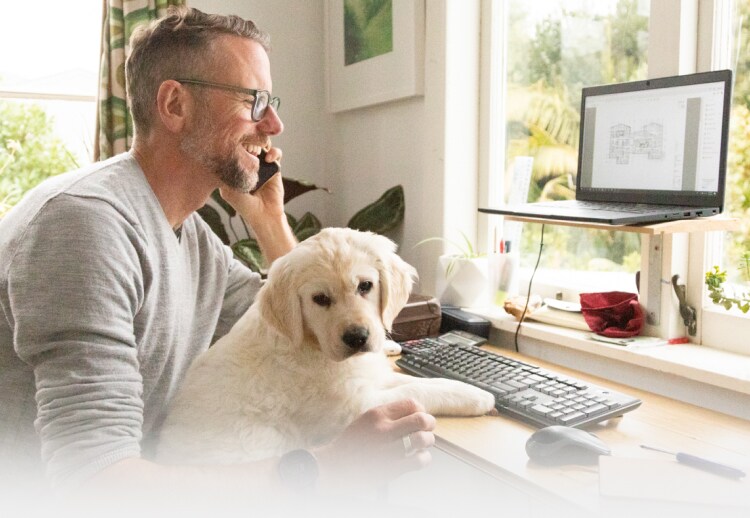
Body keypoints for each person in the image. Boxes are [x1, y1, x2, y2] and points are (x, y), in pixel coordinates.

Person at [0, 6, 435, 508]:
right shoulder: (85, 226)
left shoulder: (189, 235)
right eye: (254, 101)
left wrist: (269, 221)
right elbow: (92, 481)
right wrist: (322, 470)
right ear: (174, 104)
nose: (274, 123)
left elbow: (292, 323)